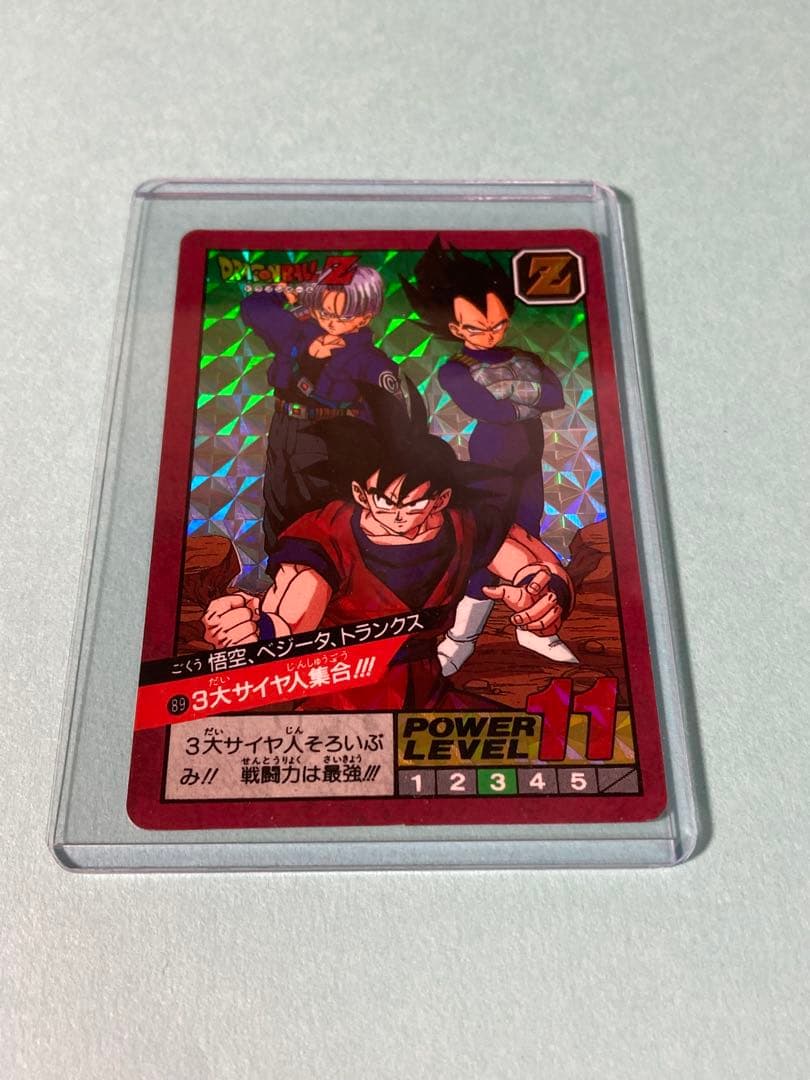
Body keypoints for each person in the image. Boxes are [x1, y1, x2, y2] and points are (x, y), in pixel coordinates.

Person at [203, 383, 575, 712]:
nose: (397, 515)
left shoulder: (465, 525)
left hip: (428, 693)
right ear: (360, 493)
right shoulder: (324, 537)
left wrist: (546, 596)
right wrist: (255, 634)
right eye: (384, 500)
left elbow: (537, 566)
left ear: (440, 499)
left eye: (414, 503)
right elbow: (293, 617)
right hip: (341, 699)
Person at [400, 235, 576, 672]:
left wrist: (514, 402)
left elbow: (554, 395)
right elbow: (486, 409)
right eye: (477, 327)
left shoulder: (523, 356)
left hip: (528, 461)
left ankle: (535, 629)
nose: (491, 333)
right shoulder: (456, 368)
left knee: (529, 533)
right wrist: (525, 400)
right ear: (455, 329)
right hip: (490, 460)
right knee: (486, 545)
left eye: (498, 323)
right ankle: (461, 638)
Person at [241, 265, 401, 559]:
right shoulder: (297, 333)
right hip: (284, 426)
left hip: (331, 438)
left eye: (343, 316)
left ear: (365, 317)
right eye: (324, 311)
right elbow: (255, 308)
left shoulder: (371, 361)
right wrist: (287, 293)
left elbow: (388, 417)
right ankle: (279, 569)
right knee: (277, 500)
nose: (331, 321)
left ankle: (321, 573)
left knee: (320, 508)